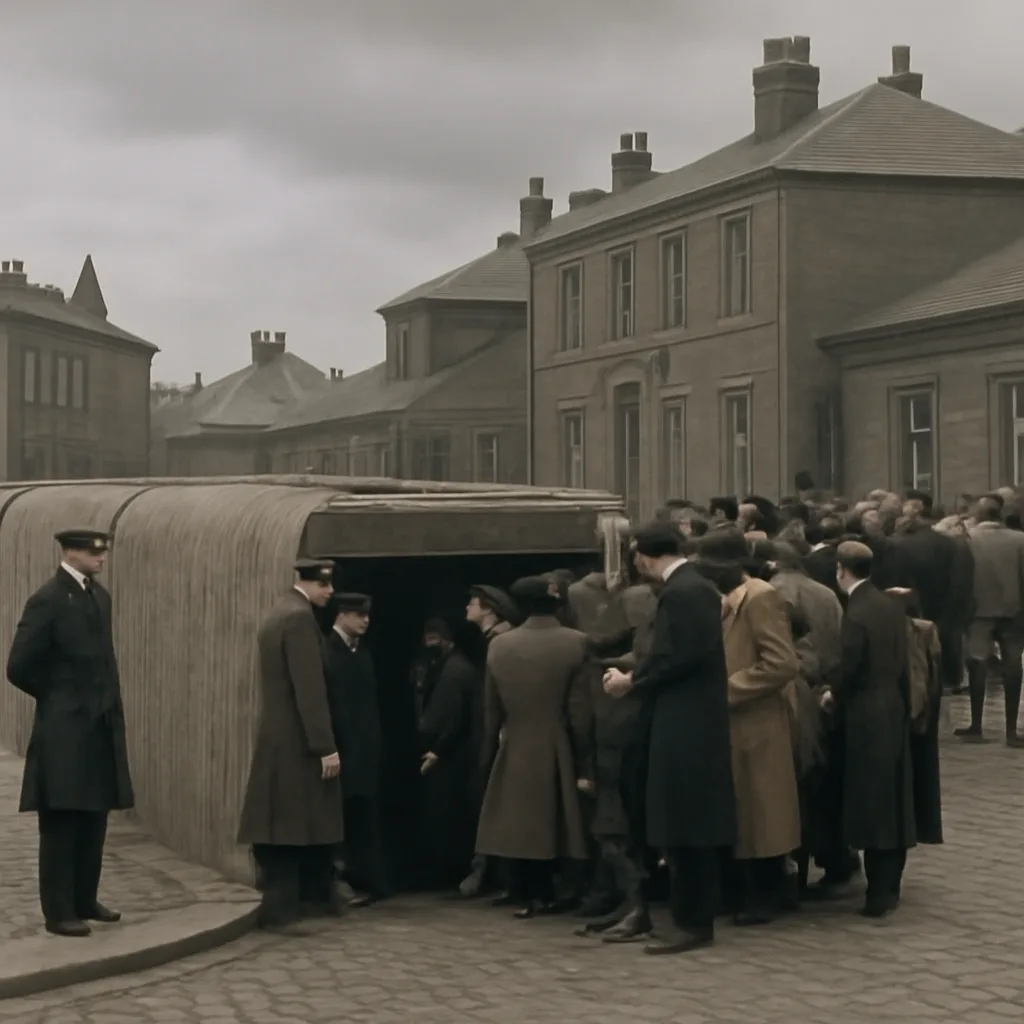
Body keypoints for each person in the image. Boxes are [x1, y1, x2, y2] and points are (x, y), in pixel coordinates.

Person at [604, 521, 736, 955]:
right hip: (685, 716)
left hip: (688, 722)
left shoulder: (684, 592)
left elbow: (676, 655)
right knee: (678, 818)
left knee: (687, 819)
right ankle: (687, 916)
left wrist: (631, 680)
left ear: (643, 554)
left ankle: (693, 921)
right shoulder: (688, 589)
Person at [6, 529, 134, 938]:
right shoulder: (48, 599)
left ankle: (85, 898)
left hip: (98, 727)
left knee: (93, 816)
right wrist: (60, 698)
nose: (101, 559)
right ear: (70, 552)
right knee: (61, 821)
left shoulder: (98, 596)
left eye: (103, 552)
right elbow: (19, 665)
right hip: (64, 731)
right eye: (94, 552)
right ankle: (59, 911)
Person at [474, 576, 592, 918]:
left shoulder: (499, 646)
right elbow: (579, 711)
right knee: (561, 819)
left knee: (523, 822)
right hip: (558, 741)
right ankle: (566, 889)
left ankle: (530, 892)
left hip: (516, 740)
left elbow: (491, 709)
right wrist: (586, 763)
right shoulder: (577, 642)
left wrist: (487, 755)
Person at [237, 558, 344, 933]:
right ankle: (289, 907)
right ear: (308, 583)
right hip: (298, 742)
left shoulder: (278, 614)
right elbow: (309, 690)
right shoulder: (299, 620)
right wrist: (324, 746)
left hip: (278, 738)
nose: (329, 592)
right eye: (324, 585)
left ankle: (296, 901)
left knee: (282, 824)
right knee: (295, 825)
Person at [821, 542, 916, 918]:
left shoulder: (856, 611)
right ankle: (890, 884)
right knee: (892, 796)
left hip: (865, 711)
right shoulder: (889, 605)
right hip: (892, 703)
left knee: (871, 798)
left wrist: (831, 692)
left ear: (843, 570)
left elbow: (850, 664)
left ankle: (879, 892)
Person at [324, 592, 389, 907]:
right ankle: (342, 880)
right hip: (340, 752)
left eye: (367, 615)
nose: (365, 621)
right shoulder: (328, 652)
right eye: (358, 615)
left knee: (363, 818)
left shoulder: (361, 652)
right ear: (341, 615)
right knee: (342, 819)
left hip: (363, 753)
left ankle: (368, 881)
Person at [418, 616, 485, 890]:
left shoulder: (455, 670)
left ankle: (449, 874)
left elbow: (454, 717)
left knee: (449, 816)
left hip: (451, 756)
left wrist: (437, 750)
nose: (430, 643)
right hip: (447, 752)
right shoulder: (444, 666)